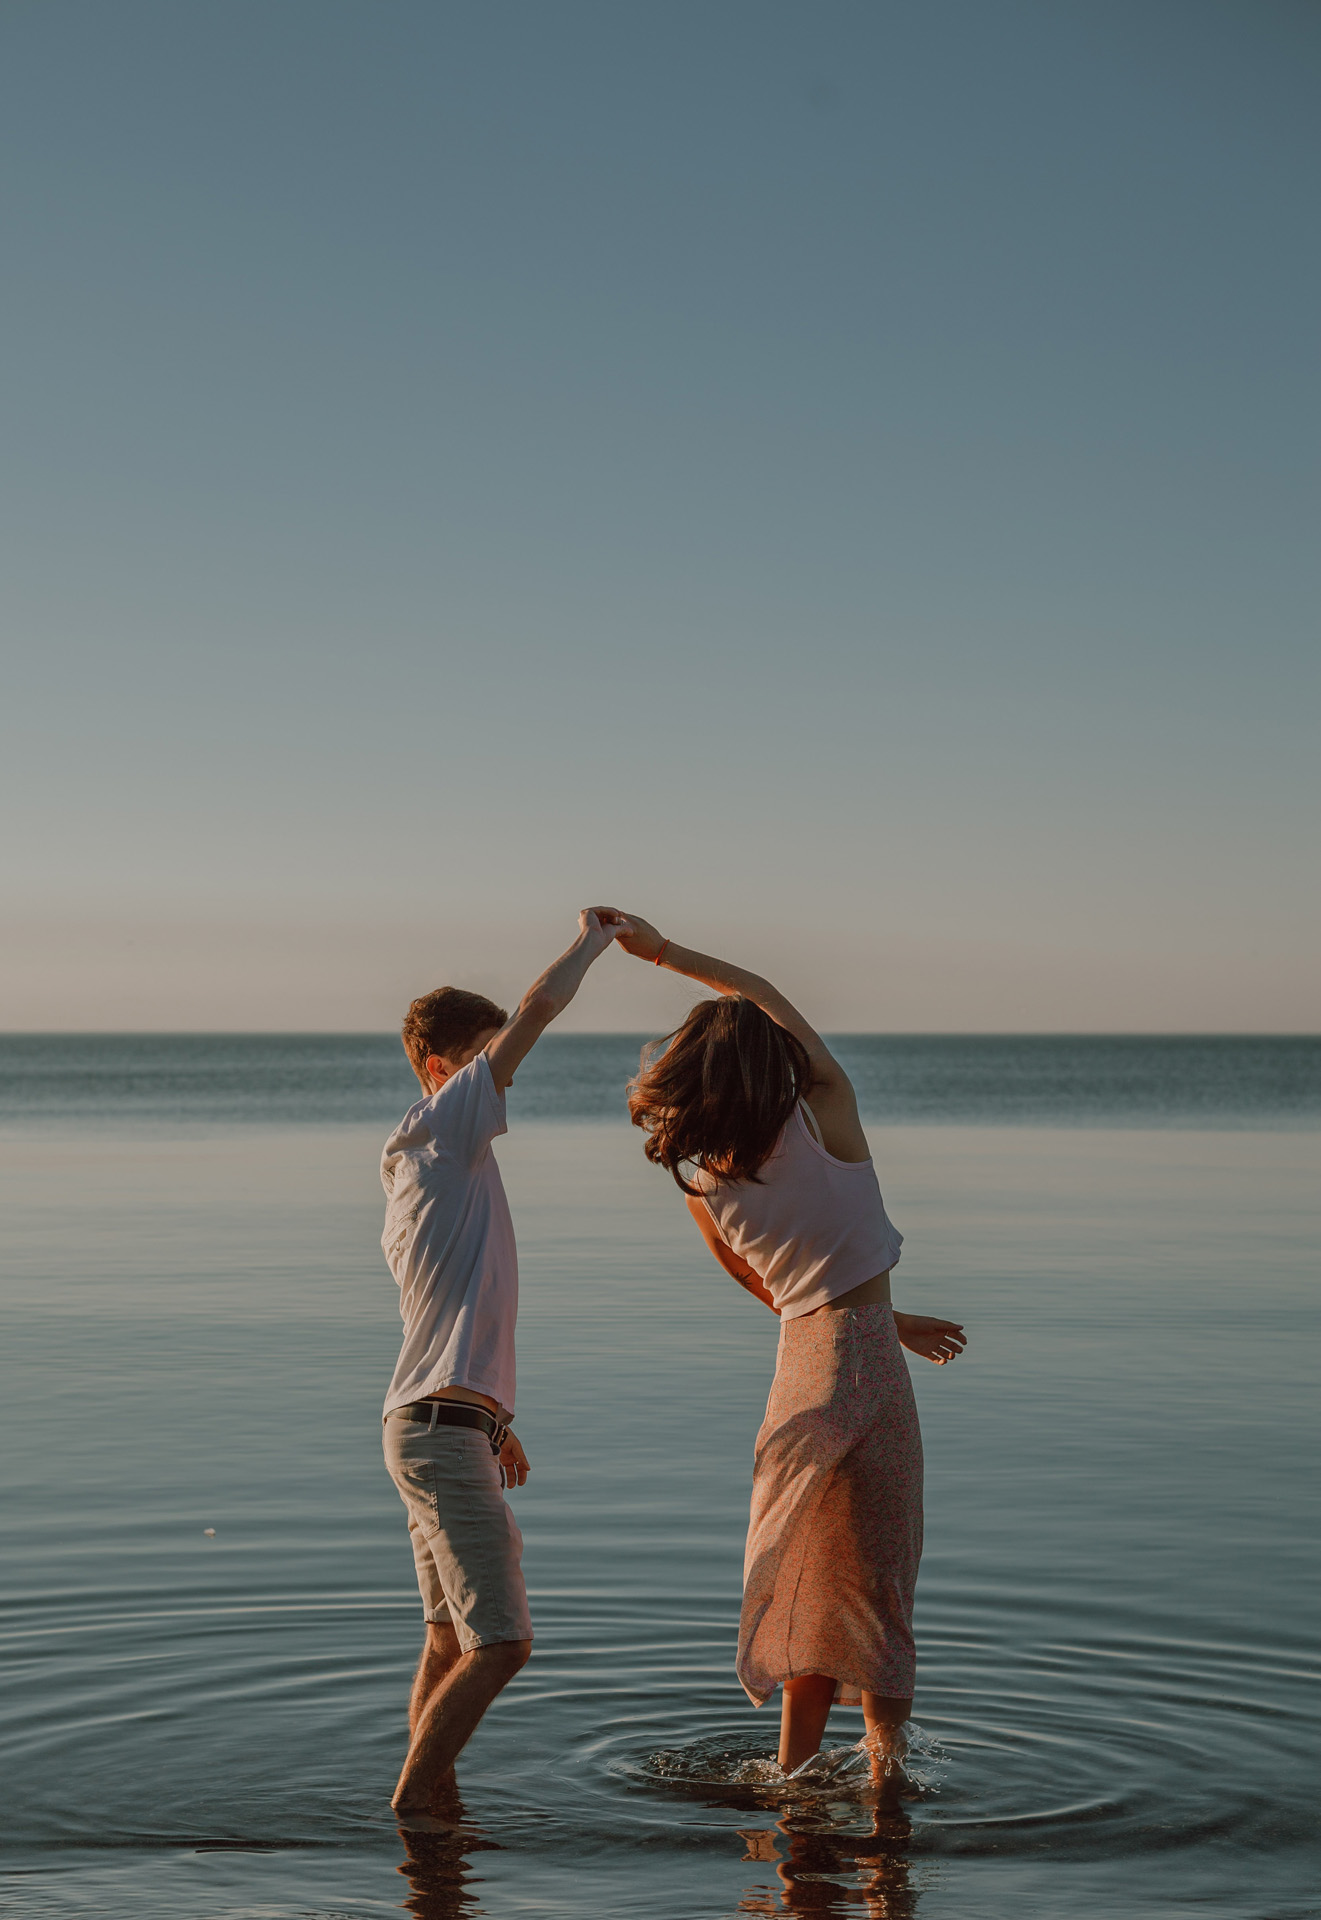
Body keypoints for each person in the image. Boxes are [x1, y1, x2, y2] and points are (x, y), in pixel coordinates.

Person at [599, 910, 967, 1784]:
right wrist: (665, 954)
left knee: (808, 1578)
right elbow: (759, 991)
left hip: (798, 1371)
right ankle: (885, 1777)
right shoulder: (826, 1111)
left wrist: (886, 1319)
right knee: (878, 1586)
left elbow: (765, 1286)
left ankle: (792, 1774)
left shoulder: (704, 1179)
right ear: (778, 1062)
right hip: (865, 1368)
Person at [380, 908, 629, 1820]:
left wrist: (494, 1420)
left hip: (433, 1424)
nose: (505, 1074)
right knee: (503, 1643)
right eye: (486, 1057)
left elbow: (455, 1309)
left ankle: (433, 1834)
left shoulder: (424, 1161)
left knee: (448, 1641)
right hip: (439, 1436)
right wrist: (597, 939)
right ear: (444, 1068)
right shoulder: (447, 1130)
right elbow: (538, 1007)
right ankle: (412, 1811)